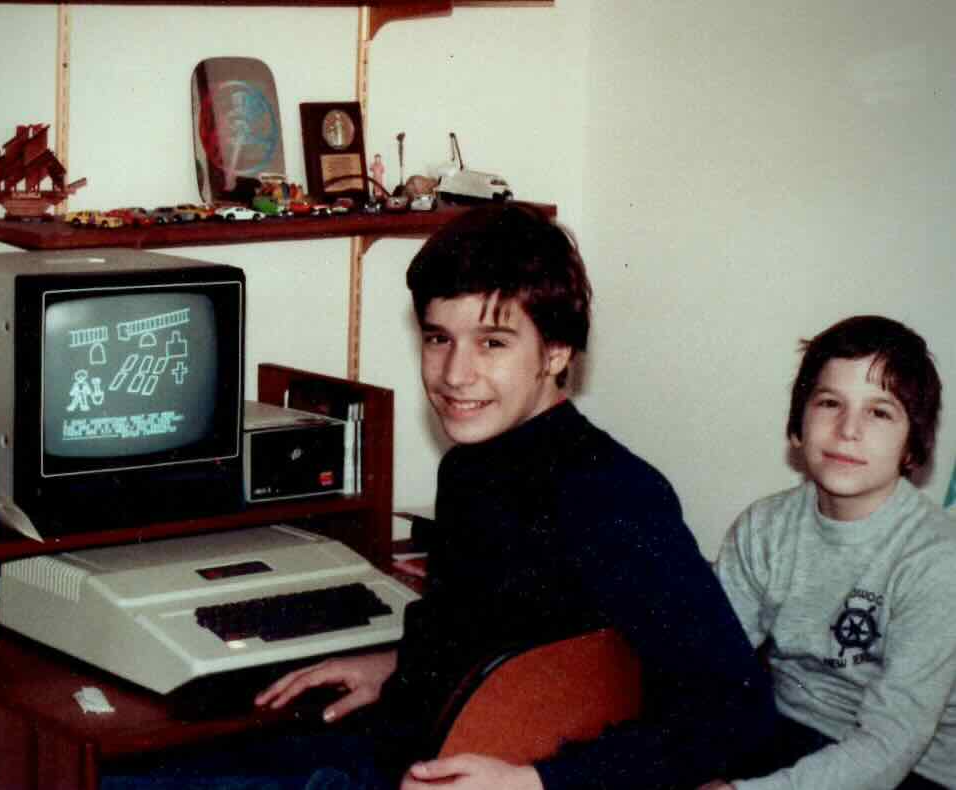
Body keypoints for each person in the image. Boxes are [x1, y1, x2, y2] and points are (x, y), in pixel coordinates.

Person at [103, 202, 774, 790]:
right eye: (437, 338)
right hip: (414, 740)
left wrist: (538, 782)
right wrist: (397, 666)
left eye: (493, 342)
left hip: (455, 769)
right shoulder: (474, 466)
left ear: (557, 352)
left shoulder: (611, 495)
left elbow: (735, 713)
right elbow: (503, 632)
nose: (456, 374)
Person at [702, 315, 956, 790]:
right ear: (799, 424)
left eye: (880, 412)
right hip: (787, 734)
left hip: (910, 770)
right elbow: (711, 671)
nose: (848, 429)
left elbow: (891, 744)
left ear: (912, 446)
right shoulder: (764, 528)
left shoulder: (938, 560)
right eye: (828, 403)